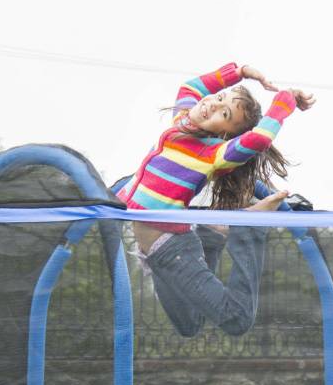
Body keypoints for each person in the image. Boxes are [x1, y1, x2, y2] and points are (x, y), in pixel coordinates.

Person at [116, 63, 315, 337]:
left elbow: (258, 139)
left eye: (225, 113)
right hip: (154, 253)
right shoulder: (181, 121)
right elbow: (192, 87)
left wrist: (286, 99)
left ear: (223, 134)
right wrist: (242, 71)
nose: (213, 105)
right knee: (189, 326)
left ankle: (249, 227)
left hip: (173, 250)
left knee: (236, 319)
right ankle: (211, 236)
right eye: (220, 98)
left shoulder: (211, 154)